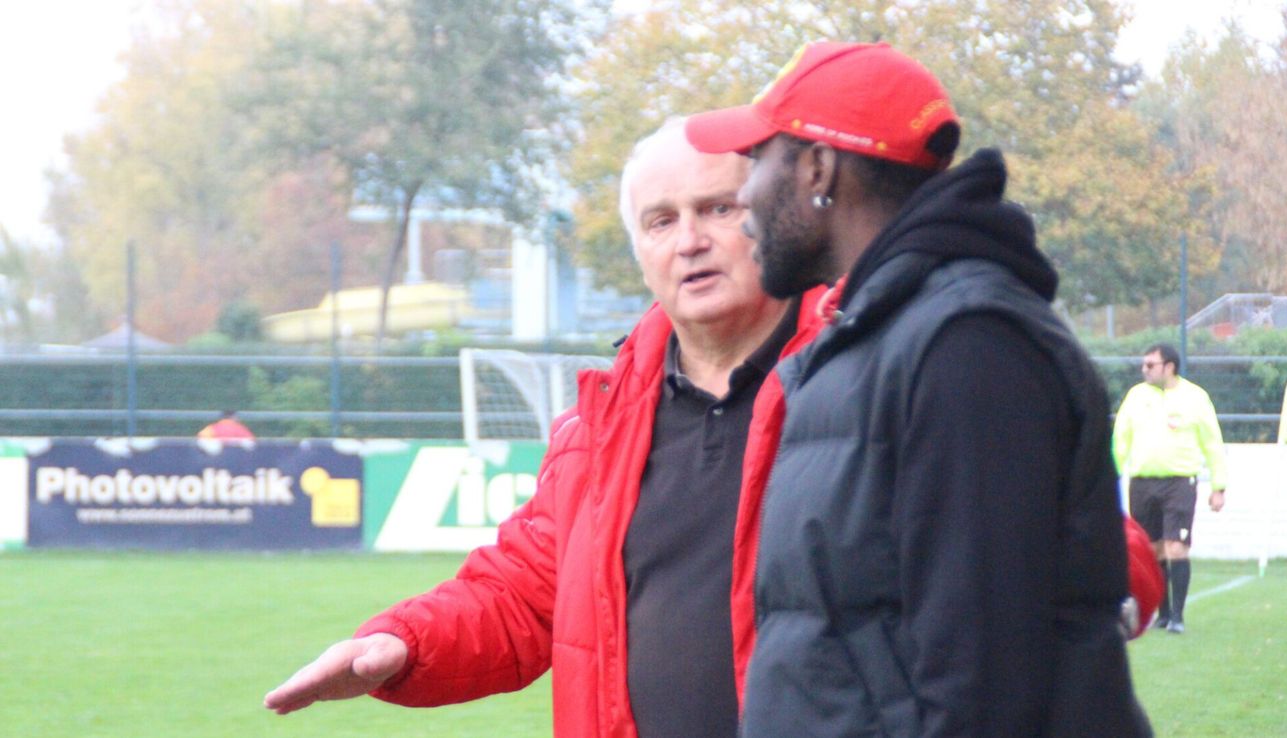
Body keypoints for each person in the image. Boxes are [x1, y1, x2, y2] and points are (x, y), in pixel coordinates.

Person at [264, 119, 830, 736]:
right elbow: (523, 595)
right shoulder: (598, 427)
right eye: (660, 221)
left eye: (718, 208)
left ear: (775, 218)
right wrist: (401, 644)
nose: (688, 240)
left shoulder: (858, 388)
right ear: (641, 254)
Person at [686, 41, 1151, 736]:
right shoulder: (875, 335)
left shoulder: (969, 347)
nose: (742, 193)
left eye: (758, 160)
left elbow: (985, 694)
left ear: (818, 168)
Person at [1113, 342, 1228, 634]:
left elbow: (1212, 442)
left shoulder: (1195, 398)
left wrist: (1219, 485)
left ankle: (1177, 616)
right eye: (1144, 364)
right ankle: (1161, 614)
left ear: (1169, 367)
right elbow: (1120, 439)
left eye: (1150, 365)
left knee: (1176, 547)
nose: (1144, 370)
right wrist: (1109, 477)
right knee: (1151, 551)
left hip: (1179, 482)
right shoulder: (1136, 396)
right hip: (1141, 482)